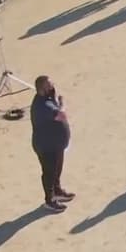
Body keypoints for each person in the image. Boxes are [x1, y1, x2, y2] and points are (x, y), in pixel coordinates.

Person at [31, 76, 72, 213]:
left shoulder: (48, 99)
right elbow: (61, 115)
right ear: (43, 89)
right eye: (50, 85)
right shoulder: (43, 105)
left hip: (55, 145)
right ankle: (50, 200)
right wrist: (62, 103)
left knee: (56, 170)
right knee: (49, 173)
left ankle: (57, 191)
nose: (52, 86)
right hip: (46, 147)